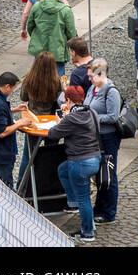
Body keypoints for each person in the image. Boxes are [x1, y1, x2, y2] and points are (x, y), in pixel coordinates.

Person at [34, 86, 103, 242]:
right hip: (94, 158)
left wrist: (60, 121)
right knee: (63, 170)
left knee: (84, 198)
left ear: (69, 100)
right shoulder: (92, 112)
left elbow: (53, 133)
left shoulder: (71, 118)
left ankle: (87, 233)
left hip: (80, 162)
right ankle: (73, 203)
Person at [83, 59, 121, 225]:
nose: (89, 79)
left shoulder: (111, 91)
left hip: (108, 137)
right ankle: (99, 208)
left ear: (101, 74)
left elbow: (113, 116)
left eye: (92, 76)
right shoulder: (93, 87)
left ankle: (109, 212)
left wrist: (93, 118)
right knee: (100, 174)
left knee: (109, 174)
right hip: (96, 137)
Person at [24, 0, 78, 76]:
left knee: (39, 79)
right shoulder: (65, 10)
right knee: (57, 81)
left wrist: (37, 38)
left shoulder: (36, 6)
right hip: (58, 52)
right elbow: (71, 33)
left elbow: (30, 26)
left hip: (39, 49)